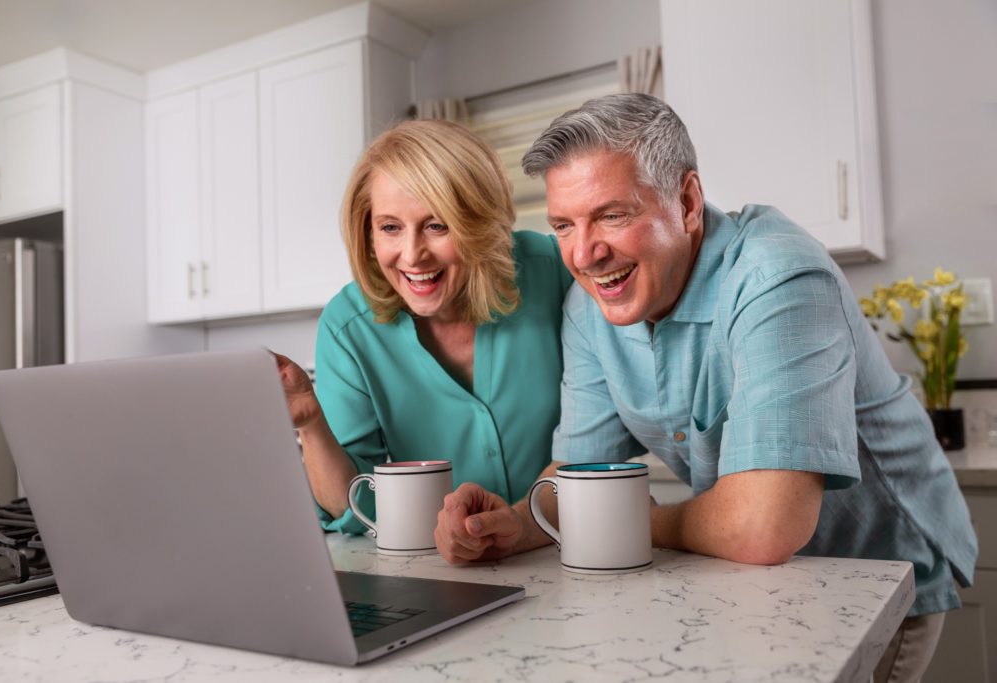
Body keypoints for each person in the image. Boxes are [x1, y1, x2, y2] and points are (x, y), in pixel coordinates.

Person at [435, 93, 977, 682]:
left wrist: (624, 522)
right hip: (761, 578)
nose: (584, 253)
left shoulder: (778, 276)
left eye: (612, 215)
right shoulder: (589, 307)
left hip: (878, 565)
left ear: (687, 201)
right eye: (564, 225)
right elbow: (577, 472)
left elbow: (764, 525)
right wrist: (517, 527)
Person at [275, 119, 572, 536]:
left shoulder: (552, 270)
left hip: (566, 541)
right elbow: (355, 504)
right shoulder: (348, 328)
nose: (412, 255)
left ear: (478, 223)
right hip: (434, 564)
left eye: (437, 225)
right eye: (390, 227)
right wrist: (310, 423)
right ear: (368, 231)